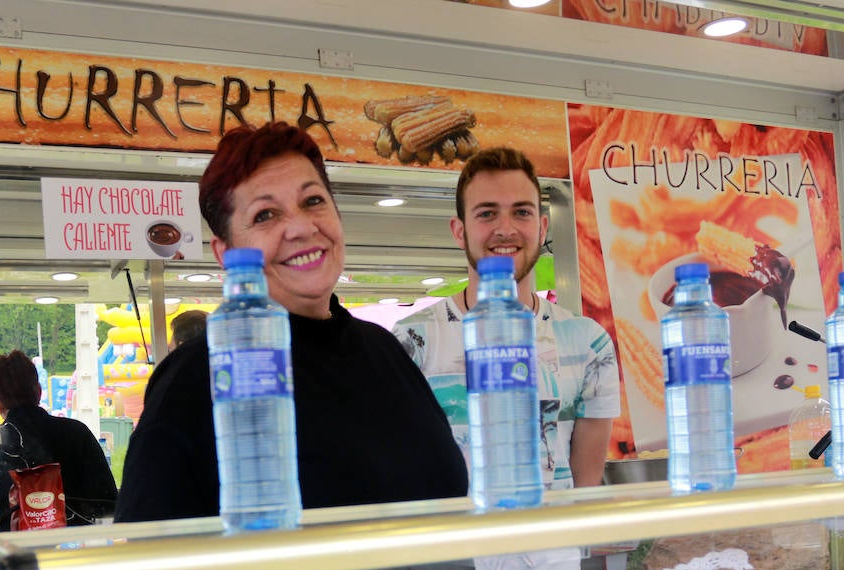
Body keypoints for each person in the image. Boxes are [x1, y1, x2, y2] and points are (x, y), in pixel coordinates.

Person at [115, 122, 467, 523]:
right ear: (225, 253)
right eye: (265, 214)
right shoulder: (195, 378)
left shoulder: (384, 350)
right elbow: (152, 561)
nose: (300, 227)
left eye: (313, 201)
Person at [394, 147, 620, 490]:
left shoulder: (588, 341)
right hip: (459, 542)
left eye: (521, 212)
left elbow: (586, 489)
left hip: (554, 541)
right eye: (486, 214)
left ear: (542, 227)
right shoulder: (412, 340)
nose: (505, 229)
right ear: (459, 231)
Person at [0, 349, 118, 530]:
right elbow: (109, 505)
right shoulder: (77, 433)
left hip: (15, 553)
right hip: (83, 549)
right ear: (38, 392)